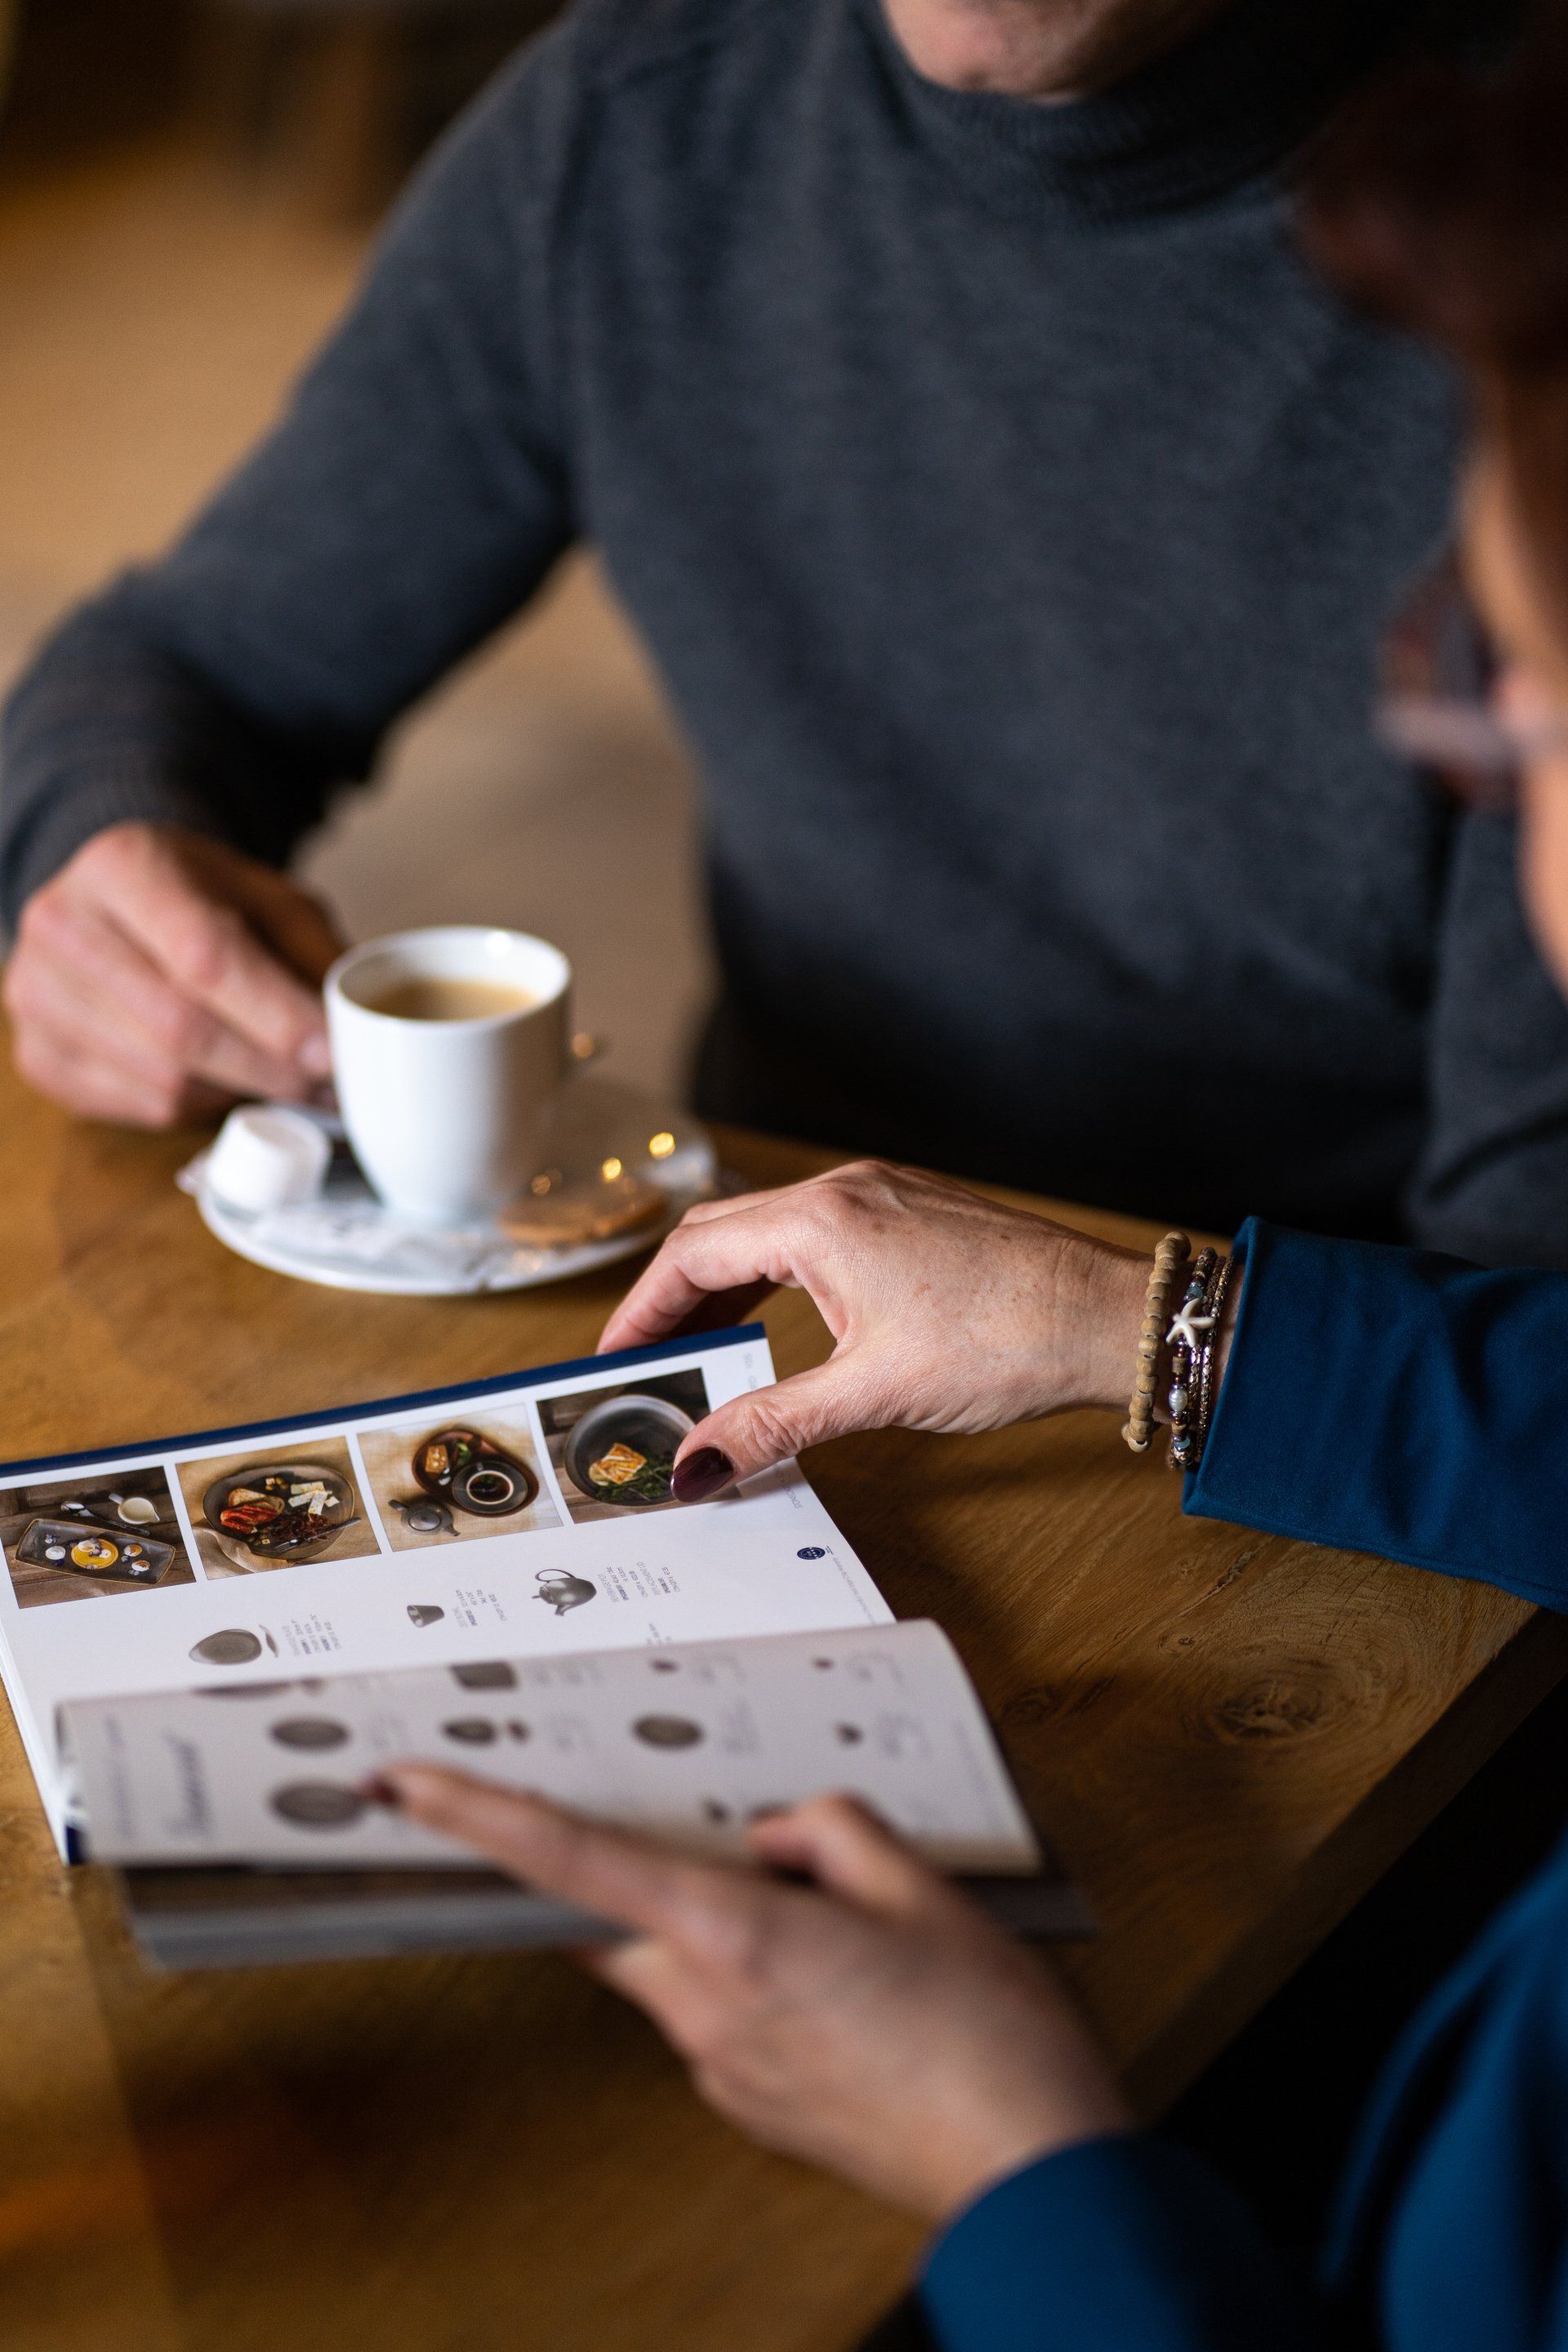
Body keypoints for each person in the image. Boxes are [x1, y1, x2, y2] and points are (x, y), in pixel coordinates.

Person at [364, 25, 1568, 2347]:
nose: (1486, 776)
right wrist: (1141, 1319)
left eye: (1493, 691)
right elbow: (186, 651)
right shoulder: (647, 122)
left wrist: (1024, 2177)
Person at [6, 0, 1567, 1270]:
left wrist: (1124, 1338)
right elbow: (184, 664)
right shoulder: (643, 121)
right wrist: (106, 865)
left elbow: (1523, 1326)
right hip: (759, 1301)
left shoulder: (1515, 250)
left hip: (1336, 1409)